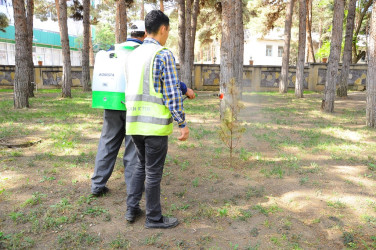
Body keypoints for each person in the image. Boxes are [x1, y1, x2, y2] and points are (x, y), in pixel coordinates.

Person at [91, 21, 194, 197]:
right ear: (145, 34)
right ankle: (134, 189)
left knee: (107, 143)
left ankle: (97, 185)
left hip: (111, 103)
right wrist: (184, 89)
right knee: (133, 150)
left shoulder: (115, 50)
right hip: (132, 104)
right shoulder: (143, 52)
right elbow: (166, 79)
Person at [124, 10, 191, 229]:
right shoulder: (163, 55)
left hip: (133, 123)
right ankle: (153, 218)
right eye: (168, 31)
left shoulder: (132, 55)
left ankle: (132, 208)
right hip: (154, 126)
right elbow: (172, 93)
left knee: (141, 166)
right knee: (153, 172)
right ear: (163, 29)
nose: (167, 35)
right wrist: (182, 123)